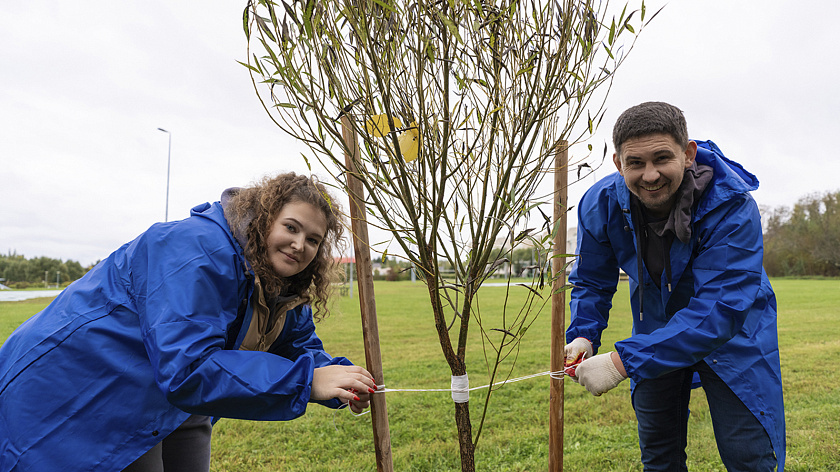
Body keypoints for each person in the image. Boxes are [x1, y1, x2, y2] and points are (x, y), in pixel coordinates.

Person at [0, 172, 376, 471]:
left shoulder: (283, 282)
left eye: (313, 239)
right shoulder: (196, 250)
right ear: (263, 219)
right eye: (291, 227)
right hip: (83, 385)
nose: (300, 245)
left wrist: (339, 378)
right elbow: (189, 368)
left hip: (168, 398)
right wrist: (306, 381)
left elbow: (299, 345)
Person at [564, 102, 785, 471]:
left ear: (687, 154)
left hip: (735, 338)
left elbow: (721, 309)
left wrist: (622, 361)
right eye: (635, 163)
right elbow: (591, 280)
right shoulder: (599, 205)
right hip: (654, 332)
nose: (649, 175)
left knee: (751, 457)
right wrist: (584, 333)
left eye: (662, 158)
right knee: (659, 456)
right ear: (618, 164)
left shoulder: (731, 206)